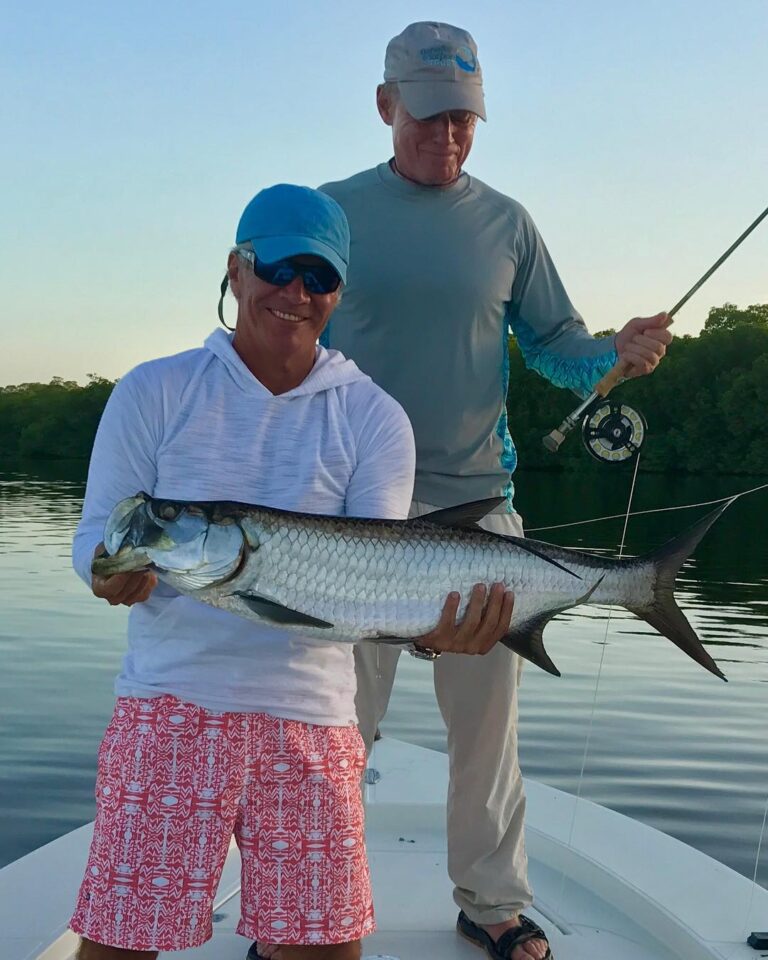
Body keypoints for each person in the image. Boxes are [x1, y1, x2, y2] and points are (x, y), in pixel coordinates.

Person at [70, 183, 515, 960]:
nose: (296, 292)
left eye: (320, 277)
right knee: (119, 945)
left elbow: (377, 587)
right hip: (170, 708)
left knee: (325, 952)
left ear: (339, 293)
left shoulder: (374, 417)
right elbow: (96, 538)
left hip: (312, 719)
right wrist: (107, 572)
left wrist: (435, 635)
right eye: (278, 267)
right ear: (237, 269)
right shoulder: (156, 390)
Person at [316, 22, 672, 960]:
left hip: (478, 511)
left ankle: (492, 903)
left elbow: (560, 347)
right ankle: (313, 901)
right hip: (348, 515)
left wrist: (615, 356)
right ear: (386, 105)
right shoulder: (332, 212)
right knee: (332, 729)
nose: (447, 139)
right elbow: (281, 335)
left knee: (487, 734)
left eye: (465, 120)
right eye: (430, 118)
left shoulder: (508, 222)